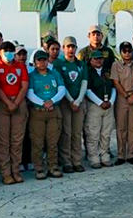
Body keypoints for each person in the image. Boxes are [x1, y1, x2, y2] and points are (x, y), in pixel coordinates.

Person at [0, 41, 30, 184]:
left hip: (18, 104)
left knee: (17, 140)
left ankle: (16, 170)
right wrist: (8, 103)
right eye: (5, 50)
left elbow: (24, 85)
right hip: (1, 104)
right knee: (3, 141)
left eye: (10, 50)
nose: (8, 53)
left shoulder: (20, 66)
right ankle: (6, 173)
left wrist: (16, 103)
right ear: (0, 52)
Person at [27, 50, 66, 179]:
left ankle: (53, 167)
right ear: (35, 62)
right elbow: (30, 93)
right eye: (39, 60)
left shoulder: (54, 74)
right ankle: (39, 168)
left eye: (44, 59)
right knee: (37, 142)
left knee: (52, 142)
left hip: (53, 111)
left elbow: (61, 89)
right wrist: (43, 103)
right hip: (38, 112)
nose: (42, 62)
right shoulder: (32, 76)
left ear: (47, 60)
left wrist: (52, 101)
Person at [54, 37, 87, 173]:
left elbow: (84, 82)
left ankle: (77, 160)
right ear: (64, 48)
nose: (71, 50)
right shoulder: (59, 64)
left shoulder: (81, 64)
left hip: (78, 102)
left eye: (73, 47)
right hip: (65, 102)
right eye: (68, 47)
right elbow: (61, 83)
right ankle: (66, 161)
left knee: (76, 132)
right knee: (66, 132)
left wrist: (78, 100)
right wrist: (70, 100)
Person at [84, 50, 115, 168]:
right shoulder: (88, 72)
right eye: (96, 59)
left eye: (100, 58)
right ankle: (94, 157)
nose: (98, 61)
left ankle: (105, 155)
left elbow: (113, 87)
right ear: (91, 60)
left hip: (108, 105)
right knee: (93, 133)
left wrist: (111, 101)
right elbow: (87, 90)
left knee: (106, 133)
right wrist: (99, 102)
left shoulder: (107, 72)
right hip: (94, 106)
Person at [112, 41, 133, 165]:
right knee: (121, 128)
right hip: (122, 98)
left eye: (129, 50)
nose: (127, 53)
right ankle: (121, 155)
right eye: (125, 51)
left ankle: (131, 155)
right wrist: (126, 96)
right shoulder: (116, 65)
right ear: (121, 52)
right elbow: (116, 83)